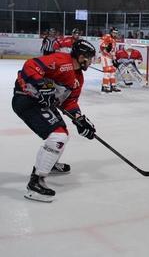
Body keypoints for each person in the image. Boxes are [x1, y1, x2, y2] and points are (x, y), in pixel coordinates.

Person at [12, 40, 97, 202]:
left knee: (62, 133)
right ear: (81, 57)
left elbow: (68, 102)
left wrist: (79, 119)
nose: (91, 61)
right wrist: (42, 84)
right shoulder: (60, 60)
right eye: (89, 58)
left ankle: (49, 164)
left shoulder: (78, 77)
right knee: (57, 137)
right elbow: (30, 65)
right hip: (26, 100)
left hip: (42, 104)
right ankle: (35, 183)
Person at [99, 28, 120, 93]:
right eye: (114, 32)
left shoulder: (114, 39)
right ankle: (104, 86)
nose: (115, 34)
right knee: (107, 72)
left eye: (116, 32)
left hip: (110, 58)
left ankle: (113, 86)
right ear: (111, 32)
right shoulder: (107, 36)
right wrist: (106, 49)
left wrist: (114, 59)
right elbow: (102, 47)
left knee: (113, 71)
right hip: (105, 57)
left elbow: (113, 50)